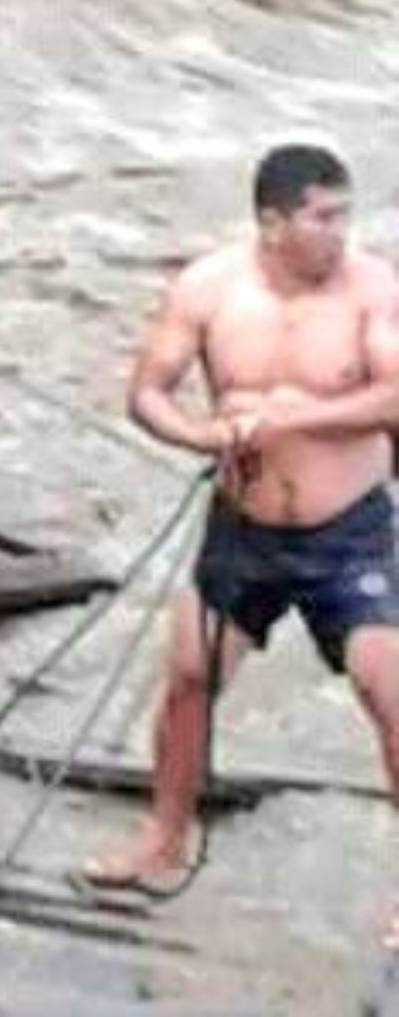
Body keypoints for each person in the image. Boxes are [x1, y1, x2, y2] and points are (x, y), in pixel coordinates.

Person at [80, 145, 398, 949]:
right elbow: (147, 390)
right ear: (273, 223)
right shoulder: (210, 287)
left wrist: (296, 418)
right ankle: (163, 838)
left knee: (388, 693)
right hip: (243, 526)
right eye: (322, 217)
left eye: (343, 215)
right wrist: (199, 433)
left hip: (346, 530)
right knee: (188, 677)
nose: (338, 232)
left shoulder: (373, 289)